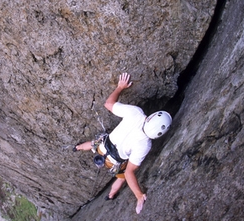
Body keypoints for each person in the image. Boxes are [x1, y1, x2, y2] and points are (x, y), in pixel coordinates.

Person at [74, 72, 172, 214]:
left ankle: (77, 148)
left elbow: (108, 104)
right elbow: (129, 173)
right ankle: (110, 195)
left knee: (94, 144)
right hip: (112, 163)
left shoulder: (136, 113)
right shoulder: (144, 144)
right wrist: (139, 195)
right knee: (121, 177)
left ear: (151, 117)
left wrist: (120, 87)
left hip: (101, 148)